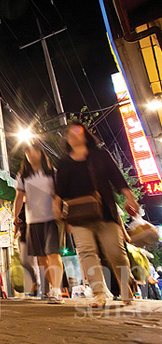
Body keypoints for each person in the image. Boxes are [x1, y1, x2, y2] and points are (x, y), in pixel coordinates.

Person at [53, 122, 139, 308]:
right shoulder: (64, 162)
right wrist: (57, 207)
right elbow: (60, 189)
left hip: (105, 213)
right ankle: (99, 293)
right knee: (86, 252)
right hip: (78, 216)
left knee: (115, 253)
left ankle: (126, 286)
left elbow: (118, 179)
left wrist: (130, 198)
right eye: (70, 134)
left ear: (85, 135)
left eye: (78, 132)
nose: (73, 136)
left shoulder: (101, 155)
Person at [13, 142, 64, 303]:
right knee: (41, 259)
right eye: (27, 152)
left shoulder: (52, 173)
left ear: (40, 153)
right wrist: (15, 216)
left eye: (32, 151)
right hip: (32, 221)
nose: (30, 154)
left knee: (53, 253)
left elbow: (59, 194)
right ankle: (54, 287)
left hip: (51, 219)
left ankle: (56, 290)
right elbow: (19, 197)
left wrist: (58, 208)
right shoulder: (23, 176)